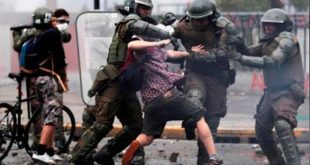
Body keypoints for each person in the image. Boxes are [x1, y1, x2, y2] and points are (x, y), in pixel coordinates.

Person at [70, 0, 172, 164]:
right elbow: (139, 27)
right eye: (143, 8)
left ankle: (103, 155)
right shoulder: (128, 22)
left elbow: (151, 34)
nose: (147, 11)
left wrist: (170, 27)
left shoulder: (141, 26)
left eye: (149, 8)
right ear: (134, 7)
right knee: (103, 124)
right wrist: (165, 32)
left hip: (127, 83)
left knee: (136, 125)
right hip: (114, 80)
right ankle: (75, 159)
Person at [121, 18, 223, 165]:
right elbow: (131, 44)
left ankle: (133, 146)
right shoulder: (142, 48)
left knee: (148, 136)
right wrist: (158, 43)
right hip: (167, 95)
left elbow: (171, 54)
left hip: (151, 103)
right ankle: (213, 157)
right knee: (200, 116)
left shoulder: (155, 51)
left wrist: (189, 53)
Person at [229, 8, 305, 165]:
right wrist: (240, 45)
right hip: (271, 92)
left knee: (282, 125)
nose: (268, 28)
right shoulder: (268, 41)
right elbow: (252, 51)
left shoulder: (287, 41)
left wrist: (241, 58)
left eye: (273, 25)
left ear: (282, 27)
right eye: (267, 25)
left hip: (289, 92)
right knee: (262, 130)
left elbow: (273, 62)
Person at [172, 0, 238, 164]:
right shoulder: (182, 26)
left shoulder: (222, 28)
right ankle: (189, 121)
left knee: (212, 121)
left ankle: (205, 160)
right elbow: (166, 38)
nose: (198, 23)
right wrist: (182, 52)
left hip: (217, 76)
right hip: (196, 73)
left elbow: (224, 53)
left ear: (212, 17)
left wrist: (199, 55)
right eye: (194, 19)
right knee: (195, 98)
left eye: (202, 20)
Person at [21, 7, 68, 164]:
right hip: (48, 79)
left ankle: (50, 151)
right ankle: (40, 152)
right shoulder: (53, 34)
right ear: (49, 19)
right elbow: (60, 58)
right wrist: (62, 74)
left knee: (47, 113)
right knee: (52, 115)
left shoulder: (37, 35)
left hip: (37, 80)